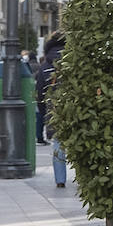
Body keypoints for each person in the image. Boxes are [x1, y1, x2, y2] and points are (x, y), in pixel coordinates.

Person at [37, 33, 65, 187]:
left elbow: (40, 92)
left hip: (53, 108)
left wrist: (43, 112)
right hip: (73, 106)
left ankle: (60, 180)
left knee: (58, 143)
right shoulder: (74, 61)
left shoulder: (45, 66)